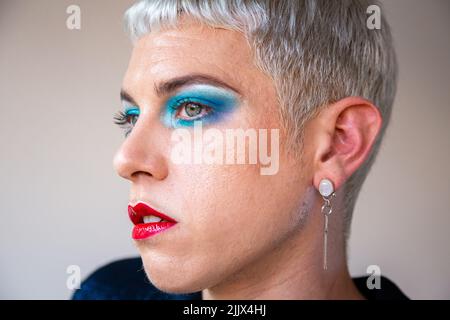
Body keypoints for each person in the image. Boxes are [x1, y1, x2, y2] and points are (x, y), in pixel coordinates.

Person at [73, 0, 407, 300]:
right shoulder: (104, 293)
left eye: (191, 109)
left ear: (337, 143)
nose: (126, 159)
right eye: (130, 118)